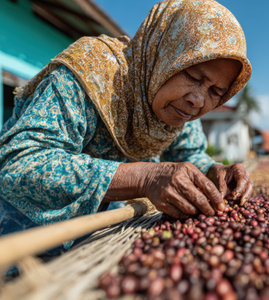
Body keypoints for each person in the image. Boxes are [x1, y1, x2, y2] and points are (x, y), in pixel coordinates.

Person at [0, 0, 252, 239]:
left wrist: (214, 171)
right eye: (193, 76)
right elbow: (19, 164)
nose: (198, 100)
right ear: (164, 55)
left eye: (216, 92)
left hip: (98, 239)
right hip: (22, 240)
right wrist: (144, 177)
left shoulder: (180, 109)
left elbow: (188, 154)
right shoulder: (91, 72)